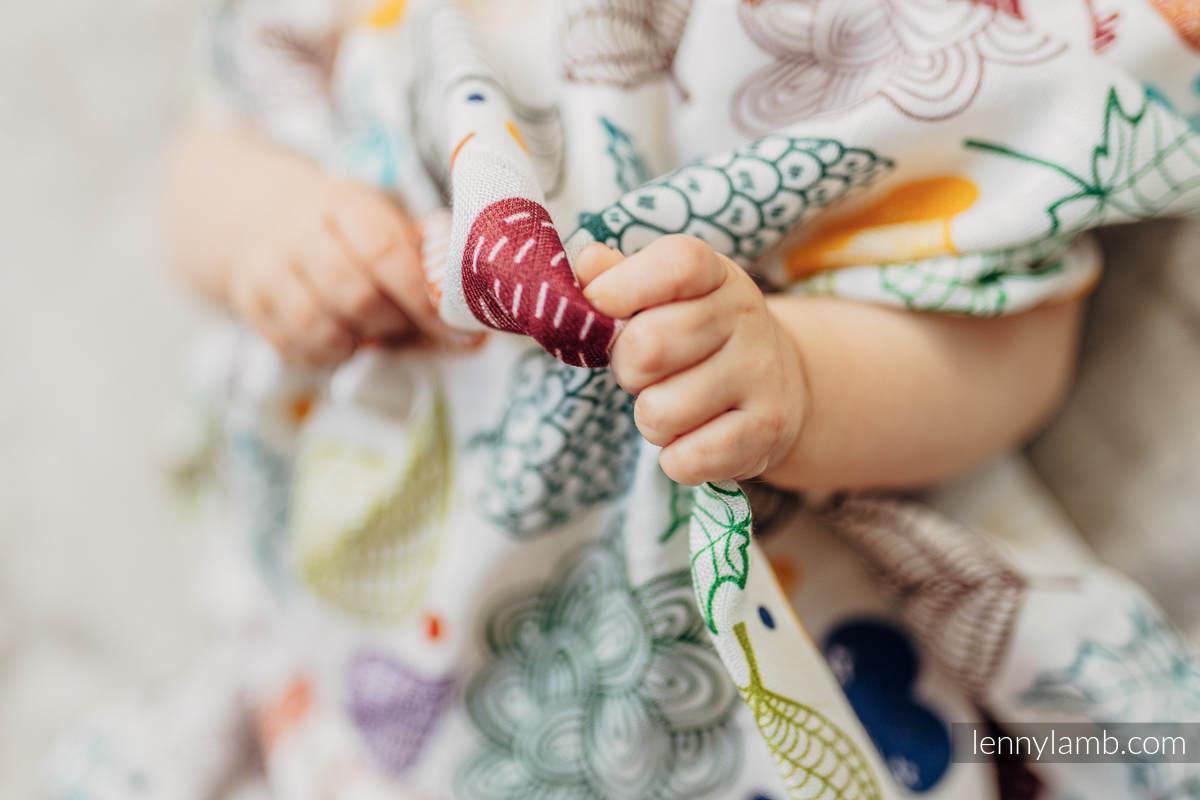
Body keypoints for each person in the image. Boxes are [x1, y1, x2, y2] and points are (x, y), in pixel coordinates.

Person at [52, 1, 1200, 797]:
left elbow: (1003, 343)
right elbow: (206, 159)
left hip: (710, 651)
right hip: (359, 566)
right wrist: (277, 229)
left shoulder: (942, 42)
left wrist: (799, 376)